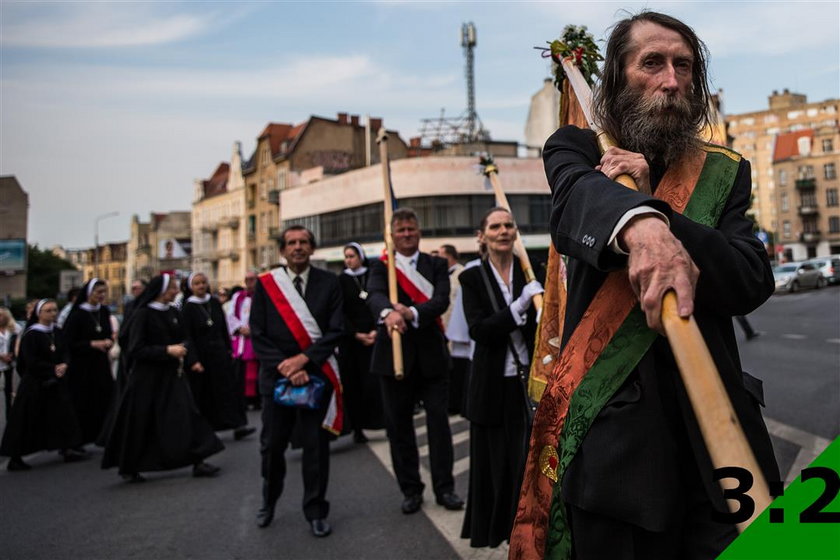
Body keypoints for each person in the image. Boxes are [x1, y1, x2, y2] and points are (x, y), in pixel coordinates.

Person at [511, 11, 780, 559]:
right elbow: (574, 206)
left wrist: (658, 205)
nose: (671, 80)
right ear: (616, 77)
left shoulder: (724, 171)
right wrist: (638, 223)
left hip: (722, 441)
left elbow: (749, 278)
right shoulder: (576, 147)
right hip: (618, 457)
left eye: (684, 66)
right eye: (651, 63)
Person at [367, 207, 463, 514]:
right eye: (401, 230)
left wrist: (411, 312)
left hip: (432, 358)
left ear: (418, 232)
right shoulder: (381, 267)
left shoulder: (434, 264)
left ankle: (445, 489)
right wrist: (389, 313)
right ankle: (410, 489)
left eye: (411, 229)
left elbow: (440, 299)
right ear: (392, 236)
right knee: (399, 428)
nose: (406, 234)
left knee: (438, 427)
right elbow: (375, 296)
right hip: (392, 358)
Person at [250, 225, 343, 537]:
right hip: (277, 379)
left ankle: (316, 510)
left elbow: (335, 330)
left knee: (316, 448)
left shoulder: (330, 282)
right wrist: (286, 367)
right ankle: (269, 501)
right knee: (272, 446)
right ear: (282, 250)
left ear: (312, 248)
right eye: (292, 243)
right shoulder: (266, 285)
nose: (298, 247)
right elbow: (258, 334)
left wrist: (305, 360)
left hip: (315, 376)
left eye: (304, 242)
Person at [459, 208, 541, 548]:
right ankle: (501, 530)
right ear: (483, 235)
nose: (503, 231)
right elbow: (480, 330)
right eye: (495, 226)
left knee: (525, 458)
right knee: (496, 462)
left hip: (526, 381)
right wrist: (518, 308)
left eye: (509, 225)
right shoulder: (472, 278)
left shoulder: (530, 272)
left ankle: (528, 524)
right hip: (492, 383)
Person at [101, 274, 223, 482]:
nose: (176, 291)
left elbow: (184, 339)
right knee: (141, 422)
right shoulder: (143, 314)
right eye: (173, 288)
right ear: (161, 291)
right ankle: (130, 467)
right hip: (147, 378)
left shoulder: (174, 311)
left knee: (188, 415)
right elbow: (135, 349)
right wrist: (166, 350)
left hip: (172, 375)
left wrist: (187, 354)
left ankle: (198, 460)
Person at [1, 299, 85, 470]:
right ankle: (15, 457)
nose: (52, 314)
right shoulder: (31, 334)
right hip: (35, 382)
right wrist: (52, 368)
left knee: (63, 415)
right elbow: (29, 361)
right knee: (27, 419)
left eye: (55, 310)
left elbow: (66, 352)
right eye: (48, 311)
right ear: (39, 313)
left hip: (56, 381)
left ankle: (67, 448)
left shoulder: (57, 332)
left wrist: (65, 364)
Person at [181, 272, 255, 440]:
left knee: (229, 391)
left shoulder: (214, 302)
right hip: (202, 357)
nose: (201, 286)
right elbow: (187, 337)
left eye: (203, 282)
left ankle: (238, 425)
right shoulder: (188, 308)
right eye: (197, 283)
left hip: (220, 354)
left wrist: (229, 350)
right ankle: (209, 429)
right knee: (207, 395)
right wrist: (193, 360)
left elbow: (223, 328)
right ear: (191, 287)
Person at [337, 243, 384, 444]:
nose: (349, 260)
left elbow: (380, 301)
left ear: (361, 256)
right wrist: (356, 334)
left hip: (375, 337)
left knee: (377, 384)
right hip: (353, 342)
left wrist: (376, 329)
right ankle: (358, 429)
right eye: (346, 256)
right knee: (354, 386)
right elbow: (340, 311)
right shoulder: (341, 280)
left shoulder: (372, 276)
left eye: (352, 256)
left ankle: (384, 423)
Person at [62, 278, 115, 447]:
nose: (101, 296)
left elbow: (107, 332)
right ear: (88, 293)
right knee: (82, 401)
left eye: (104, 292)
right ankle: (79, 439)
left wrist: (108, 341)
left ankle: (103, 435)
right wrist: (91, 344)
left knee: (104, 398)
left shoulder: (104, 311)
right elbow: (69, 342)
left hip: (100, 362)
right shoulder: (77, 314)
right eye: (98, 292)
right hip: (81, 365)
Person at [438, 244, 467, 415]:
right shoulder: (441, 275)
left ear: (450, 256)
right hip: (443, 327)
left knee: (458, 369)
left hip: (457, 328)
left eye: (442, 255)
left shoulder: (461, 273)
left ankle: (458, 403)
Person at [228, 271, 260, 411]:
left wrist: (253, 329)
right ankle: (244, 399)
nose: (249, 281)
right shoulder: (237, 296)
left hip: (256, 338)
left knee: (255, 371)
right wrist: (240, 328)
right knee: (241, 372)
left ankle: (256, 400)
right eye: (247, 279)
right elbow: (230, 315)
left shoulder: (261, 295)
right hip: (241, 338)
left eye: (252, 279)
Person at [0, 307, 21, 421]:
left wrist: (12, 355)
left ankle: (9, 415)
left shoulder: (14, 328)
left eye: (1, 315)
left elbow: (18, 343)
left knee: (9, 390)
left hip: (10, 362)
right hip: (1, 360)